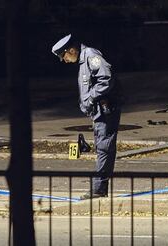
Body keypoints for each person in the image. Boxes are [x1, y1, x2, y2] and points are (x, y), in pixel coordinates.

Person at [52, 34, 123, 200]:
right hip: (99, 111)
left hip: (106, 110)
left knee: (104, 148)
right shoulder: (84, 59)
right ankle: (100, 188)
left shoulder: (91, 56)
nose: (64, 60)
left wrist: (91, 98)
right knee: (103, 148)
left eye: (64, 56)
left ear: (71, 50)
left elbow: (106, 78)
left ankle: (98, 189)